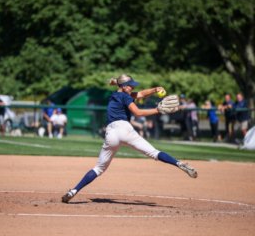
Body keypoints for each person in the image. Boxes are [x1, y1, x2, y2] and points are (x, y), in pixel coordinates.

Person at [62, 74, 198, 203]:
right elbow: (137, 112)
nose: (132, 87)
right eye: (130, 85)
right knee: (154, 153)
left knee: (99, 168)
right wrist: (158, 110)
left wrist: (155, 89)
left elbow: (141, 94)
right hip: (125, 130)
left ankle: (73, 191)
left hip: (111, 133)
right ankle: (178, 163)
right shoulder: (126, 97)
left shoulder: (115, 94)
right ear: (124, 86)